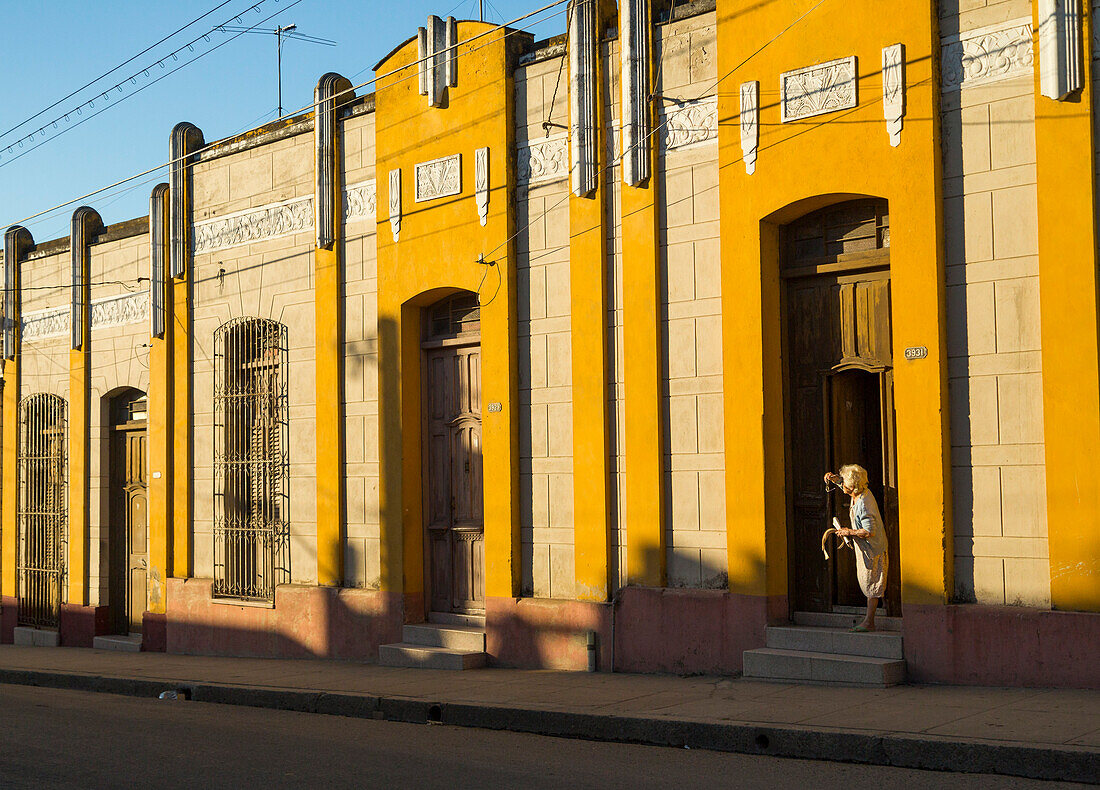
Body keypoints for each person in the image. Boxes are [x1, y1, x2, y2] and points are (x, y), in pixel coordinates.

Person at [823, 464, 888, 632]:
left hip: (872, 550)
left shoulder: (864, 503)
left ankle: (869, 621)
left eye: (844, 481)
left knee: (871, 584)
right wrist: (835, 479)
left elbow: (868, 531)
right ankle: (869, 620)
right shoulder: (858, 493)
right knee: (867, 582)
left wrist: (848, 531)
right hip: (866, 548)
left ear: (852, 485)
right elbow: (844, 487)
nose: (842, 484)